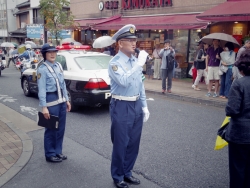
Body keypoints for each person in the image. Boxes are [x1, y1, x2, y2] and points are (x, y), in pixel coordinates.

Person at [108, 24, 150, 188]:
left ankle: (127, 172)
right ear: (120, 43)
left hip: (136, 104)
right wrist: (139, 65)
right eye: (129, 40)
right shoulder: (114, 63)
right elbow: (124, 81)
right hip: (122, 105)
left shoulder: (134, 60)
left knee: (133, 142)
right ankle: (118, 176)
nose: (134, 43)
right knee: (121, 143)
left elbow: (140, 84)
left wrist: (144, 105)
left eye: (135, 40)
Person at [37, 43, 71, 163]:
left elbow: (63, 85)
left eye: (54, 51)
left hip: (61, 99)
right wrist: (44, 107)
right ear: (44, 54)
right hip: (51, 100)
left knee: (61, 128)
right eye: (49, 52)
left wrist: (67, 100)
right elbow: (41, 90)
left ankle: (58, 151)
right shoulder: (42, 69)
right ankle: (50, 154)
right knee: (51, 128)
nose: (52, 54)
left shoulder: (58, 66)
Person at [225, 49, 250, 188]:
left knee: (237, 170)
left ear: (241, 69)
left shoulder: (239, 84)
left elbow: (231, 110)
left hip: (240, 135)